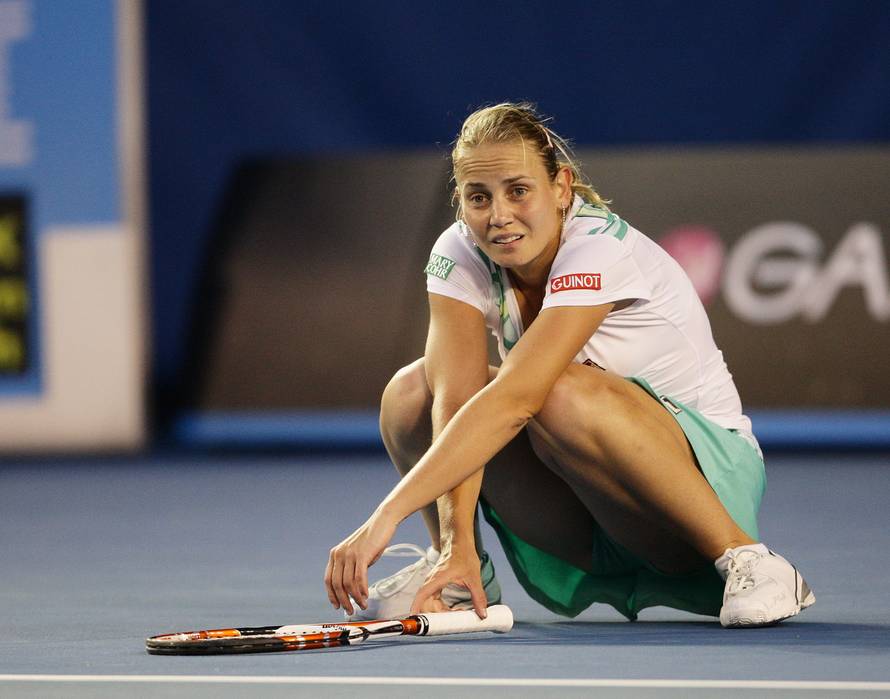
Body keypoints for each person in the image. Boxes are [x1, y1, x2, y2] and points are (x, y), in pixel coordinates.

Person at [323, 102, 815, 628]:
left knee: (551, 390)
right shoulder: (458, 252)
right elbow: (455, 398)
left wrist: (385, 516)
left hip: (705, 491)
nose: (499, 216)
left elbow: (516, 400)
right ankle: (460, 576)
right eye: (478, 197)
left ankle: (750, 558)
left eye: (518, 190)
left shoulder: (598, 248)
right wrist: (456, 541)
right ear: (460, 202)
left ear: (561, 187)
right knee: (411, 394)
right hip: (588, 502)